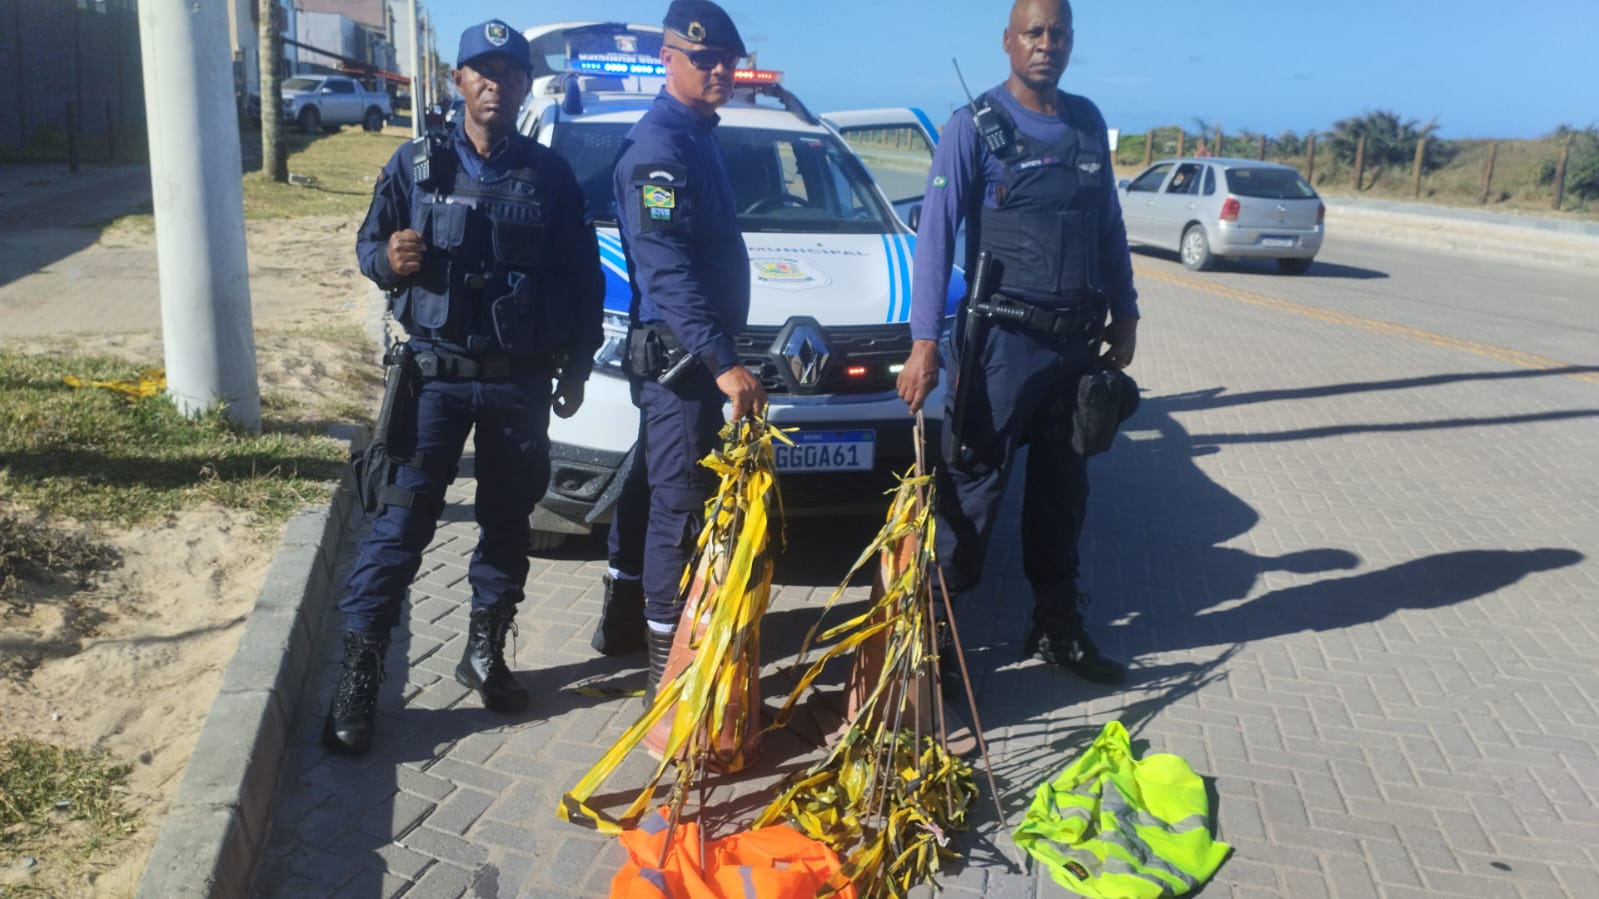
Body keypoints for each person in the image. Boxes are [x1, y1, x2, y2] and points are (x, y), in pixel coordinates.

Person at [324, 19, 604, 755]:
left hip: (518, 384)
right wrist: (388, 257)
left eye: (509, 73)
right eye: (481, 70)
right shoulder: (415, 165)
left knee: (508, 522)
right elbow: (365, 247)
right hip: (432, 383)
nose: (495, 83)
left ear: (521, 87)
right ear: (459, 81)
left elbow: (582, 279)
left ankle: (486, 648)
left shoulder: (549, 176)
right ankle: (359, 676)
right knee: (400, 526)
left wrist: (577, 366)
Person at [897, 0, 1139, 689]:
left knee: (1063, 496)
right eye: (1033, 32)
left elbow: (1109, 229)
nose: (1045, 44)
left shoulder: (1087, 123)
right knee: (971, 492)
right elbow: (935, 238)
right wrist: (922, 342)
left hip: (1074, 350)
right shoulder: (972, 127)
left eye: (1057, 33)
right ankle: (933, 637)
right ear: (1007, 42)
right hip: (1000, 346)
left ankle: (1055, 625)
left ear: (1069, 42)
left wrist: (1125, 310)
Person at [587, 0, 767, 703]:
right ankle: (669, 671)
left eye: (728, 59)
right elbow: (665, 268)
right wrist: (724, 362)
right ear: (668, 59)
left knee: (648, 487)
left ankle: (623, 621)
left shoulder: (697, 135)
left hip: (691, 354)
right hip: (683, 361)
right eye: (705, 59)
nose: (722, 69)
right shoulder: (658, 147)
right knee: (679, 504)